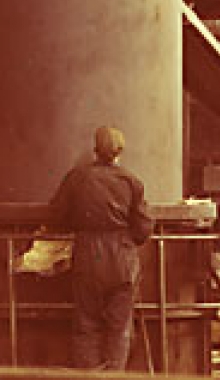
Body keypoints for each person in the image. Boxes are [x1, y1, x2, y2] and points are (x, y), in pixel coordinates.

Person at [50, 125, 154, 370]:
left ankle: (88, 375)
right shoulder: (132, 182)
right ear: (120, 152)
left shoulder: (77, 178)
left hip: (88, 255)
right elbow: (144, 227)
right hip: (122, 260)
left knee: (86, 325)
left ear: (95, 149)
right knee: (119, 329)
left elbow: (57, 215)